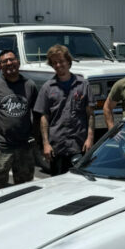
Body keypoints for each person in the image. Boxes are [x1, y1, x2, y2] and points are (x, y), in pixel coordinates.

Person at [0, 49, 38, 189]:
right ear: (0, 67)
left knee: (25, 188)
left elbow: (38, 114)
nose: (9, 63)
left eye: (12, 60)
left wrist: (36, 137)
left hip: (24, 146)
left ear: (18, 62)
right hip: (2, 147)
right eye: (4, 61)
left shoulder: (30, 85)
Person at [34, 44, 95, 175]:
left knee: (81, 184)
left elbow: (90, 114)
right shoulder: (47, 88)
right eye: (54, 63)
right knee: (58, 186)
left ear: (68, 61)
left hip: (79, 146)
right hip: (57, 147)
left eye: (61, 61)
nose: (58, 65)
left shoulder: (83, 85)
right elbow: (44, 118)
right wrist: (45, 144)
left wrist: (90, 139)